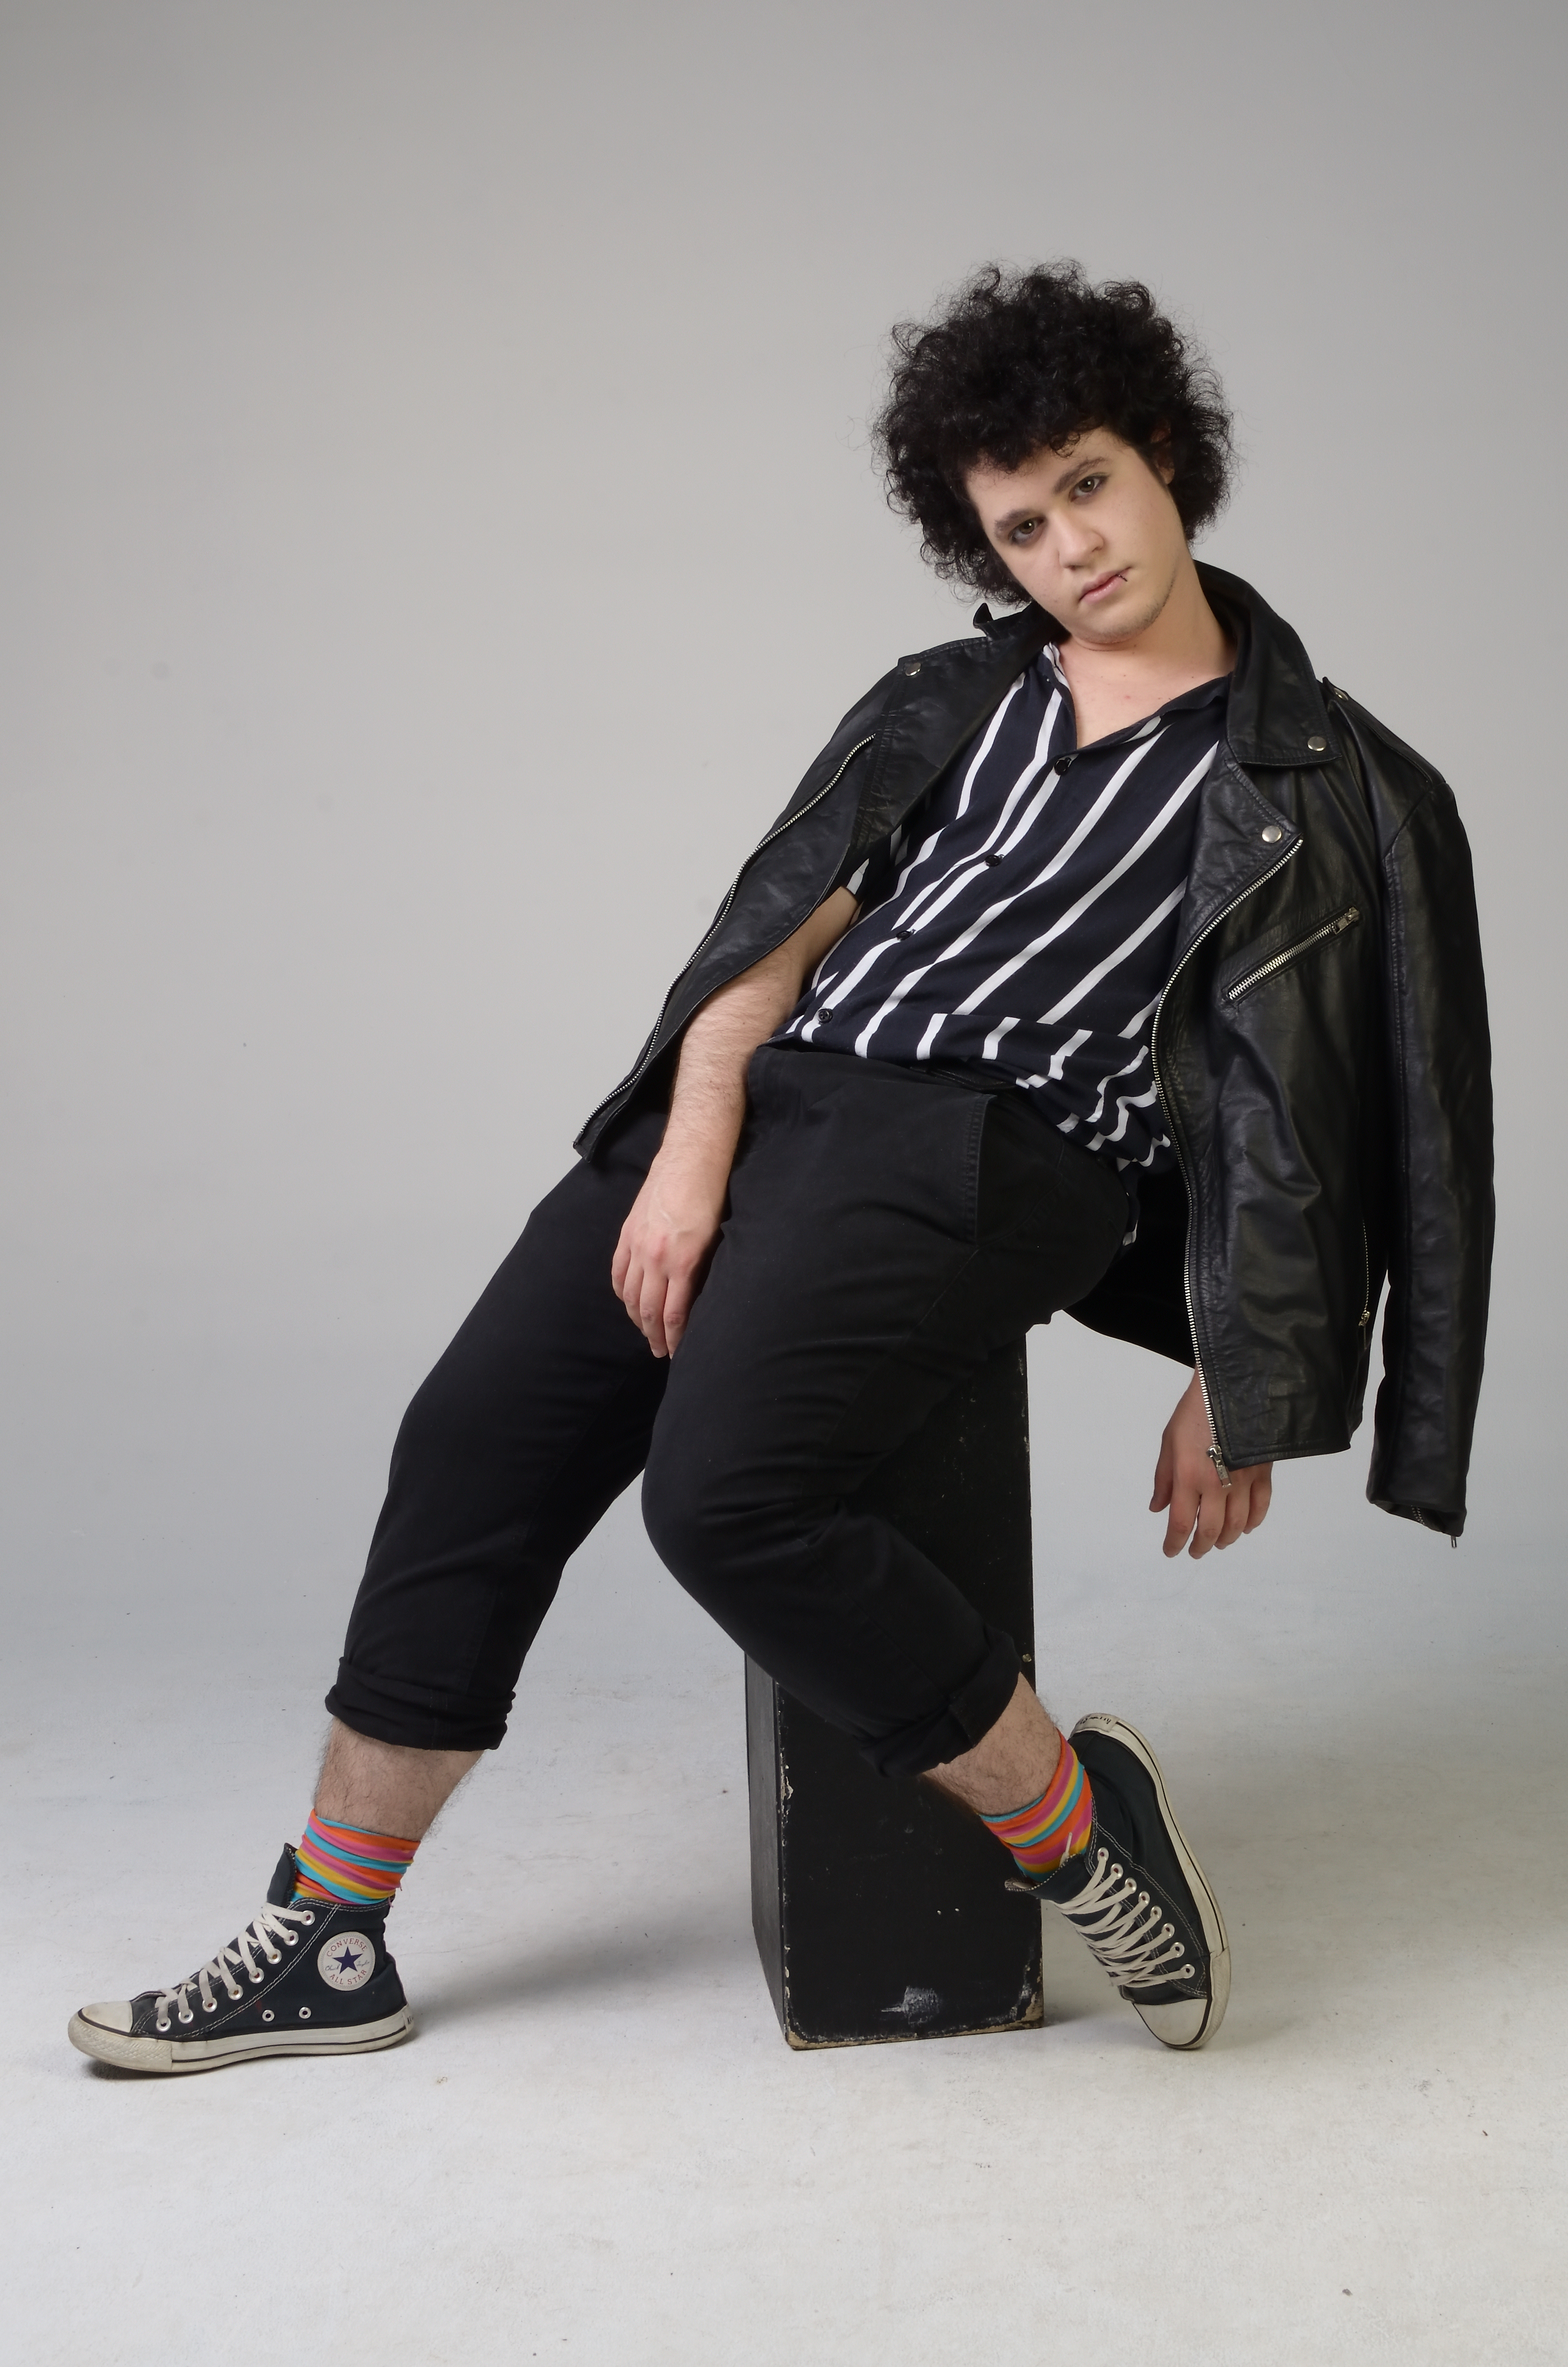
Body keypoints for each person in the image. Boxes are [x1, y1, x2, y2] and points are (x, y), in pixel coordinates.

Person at [69, 263, 1492, 2073]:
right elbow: (768, 941)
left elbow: (1389, 1122)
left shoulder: (1349, 788)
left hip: (1003, 1148)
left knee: (723, 1501)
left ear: (1168, 463)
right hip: (762, 1105)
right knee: (472, 1440)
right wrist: (688, 1151)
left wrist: (1250, 1364)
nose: (1069, 542)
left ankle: (1083, 1846)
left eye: (1088, 482)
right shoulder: (945, 700)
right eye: (1020, 521)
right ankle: (326, 1935)